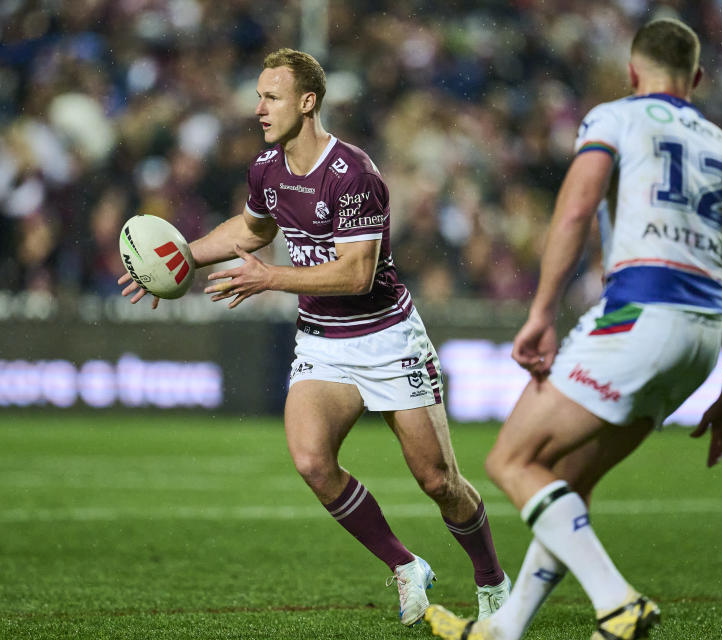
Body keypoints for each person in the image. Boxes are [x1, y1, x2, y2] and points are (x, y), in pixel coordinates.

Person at [117, 48, 510, 627]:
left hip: (386, 338)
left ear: (308, 102)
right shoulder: (267, 169)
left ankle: (493, 581)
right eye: (257, 96)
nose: (259, 109)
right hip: (323, 340)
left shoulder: (353, 175)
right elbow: (250, 229)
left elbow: (357, 274)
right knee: (311, 460)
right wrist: (178, 261)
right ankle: (406, 566)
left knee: (438, 481)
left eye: (270, 97)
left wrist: (270, 277)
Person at [424, 18, 722, 640]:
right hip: (701, 338)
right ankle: (505, 629)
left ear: (634, 72)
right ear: (695, 78)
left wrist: (541, 312)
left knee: (512, 460)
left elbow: (579, 205)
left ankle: (618, 603)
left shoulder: (616, 117)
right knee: (568, 483)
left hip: (639, 313)